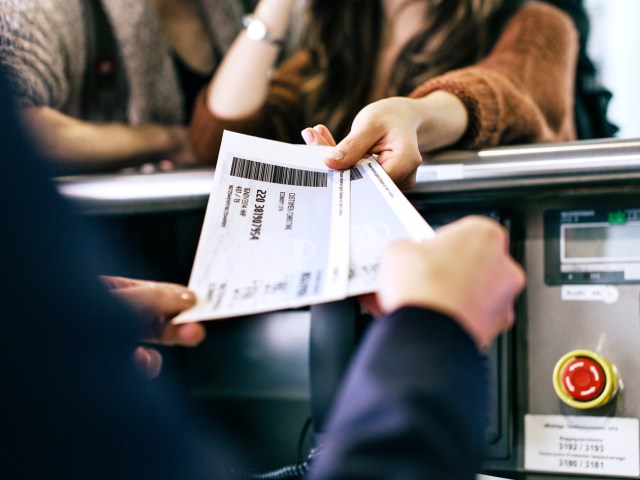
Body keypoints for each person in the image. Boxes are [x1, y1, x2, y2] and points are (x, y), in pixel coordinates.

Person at [1, 66, 526, 478]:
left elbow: (521, 88)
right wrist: (431, 332)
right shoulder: (320, 48)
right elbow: (216, 134)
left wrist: (419, 112)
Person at [190, 0, 578, 189]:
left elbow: (505, 89)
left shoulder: (537, 24)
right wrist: (276, 6)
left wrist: (415, 115)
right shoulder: (335, 46)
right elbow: (220, 136)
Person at [0, 0, 246, 173]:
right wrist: (167, 141)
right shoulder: (38, 8)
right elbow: (16, 125)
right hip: (108, 236)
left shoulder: (244, 9)